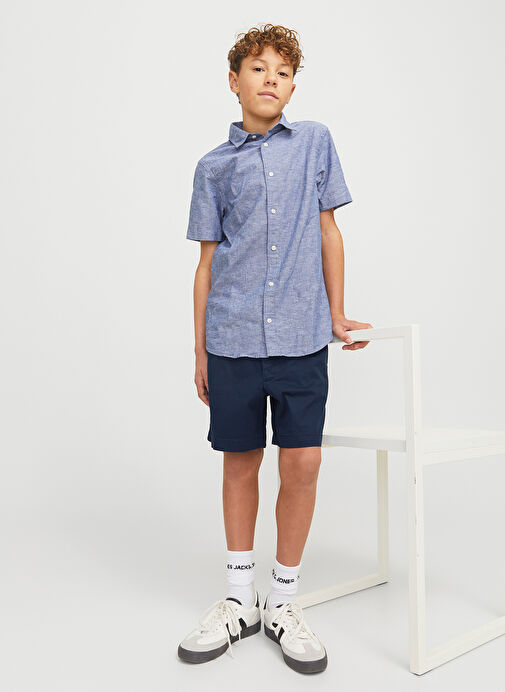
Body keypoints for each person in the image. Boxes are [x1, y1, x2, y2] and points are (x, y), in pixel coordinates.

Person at [178, 23, 372, 674]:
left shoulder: (314, 142)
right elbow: (206, 266)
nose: (271, 79)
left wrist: (335, 313)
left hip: (299, 335)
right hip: (232, 338)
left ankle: (283, 601)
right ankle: (239, 600)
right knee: (239, 462)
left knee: (303, 462)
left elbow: (328, 231)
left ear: (292, 87)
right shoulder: (213, 167)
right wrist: (201, 350)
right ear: (233, 81)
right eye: (258, 68)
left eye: (283, 72)